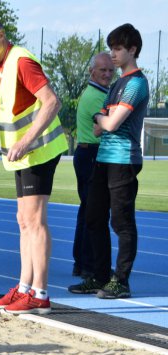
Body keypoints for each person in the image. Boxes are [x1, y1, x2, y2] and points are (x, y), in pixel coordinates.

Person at [0, 14, 68, 314]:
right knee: (23, 220)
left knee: (34, 221)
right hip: (23, 154)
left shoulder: (21, 60)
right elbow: (14, 111)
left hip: (39, 152)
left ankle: (39, 292)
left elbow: (52, 102)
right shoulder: (1, 65)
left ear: (1, 35)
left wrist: (25, 141)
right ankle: (25, 287)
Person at [79, 24, 148, 299]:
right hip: (104, 158)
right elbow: (101, 125)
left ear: (132, 50)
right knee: (94, 217)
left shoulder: (136, 83)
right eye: (111, 48)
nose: (113, 54)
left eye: (118, 48)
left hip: (123, 160)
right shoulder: (117, 83)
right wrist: (102, 119)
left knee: (121, 222)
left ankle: (121, 281)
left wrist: (101, 118)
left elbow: (108, 123)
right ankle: (99, 276)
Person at [68, 53, 115, 283]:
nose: (107, 74)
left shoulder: (97, 93)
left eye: (110, 70)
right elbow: (102, 128)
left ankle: (81, 261)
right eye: (102, 70)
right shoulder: (97, 97)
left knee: (87, 210)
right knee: (94, 213)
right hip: (92, 155)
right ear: (92, 72)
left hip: (87, 154)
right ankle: (90, 265)